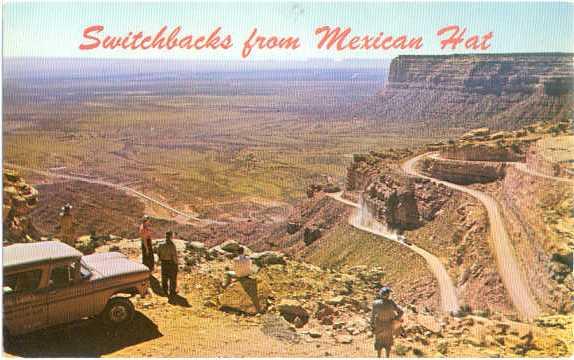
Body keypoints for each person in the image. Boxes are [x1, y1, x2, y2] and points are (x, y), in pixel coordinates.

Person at [371, 286, 404, 358]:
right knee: (388, 345)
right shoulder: (391, 303)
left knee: (379, 344)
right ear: (387, 294)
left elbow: (372, 317)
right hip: (389, 326)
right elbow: (401, 311)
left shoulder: (375, 303)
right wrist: (395, 319)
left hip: (379, 326)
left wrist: (372, 327)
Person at [158, 231, 178, 298]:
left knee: (164, 278)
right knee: (172, 278)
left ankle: (165, 291)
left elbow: (159, 254)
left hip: (163, 263)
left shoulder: (160, 244)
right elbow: (174, 256)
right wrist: (176, 264)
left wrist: (161, 259)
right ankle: (172, 292)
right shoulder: (172, 245)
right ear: (171, 236)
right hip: (171, 263)